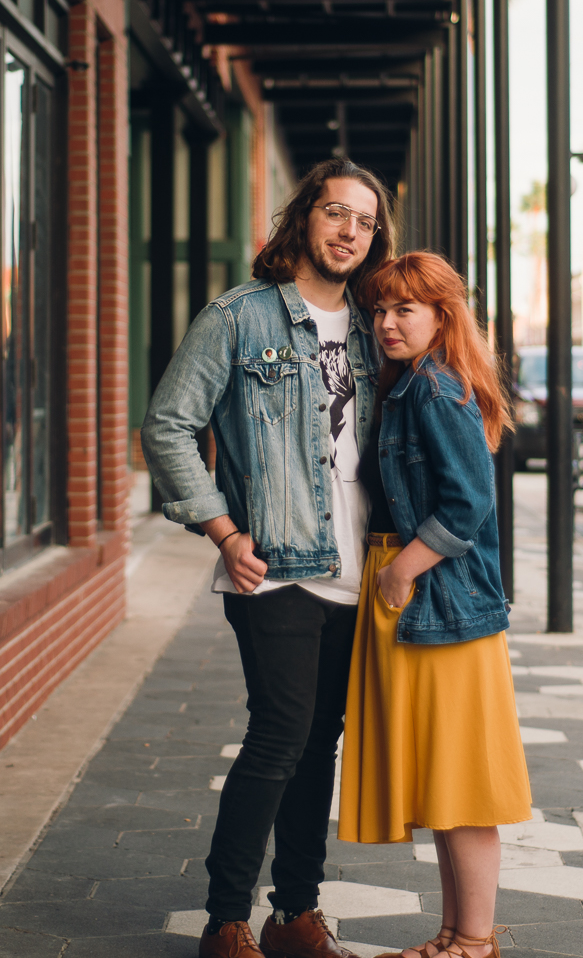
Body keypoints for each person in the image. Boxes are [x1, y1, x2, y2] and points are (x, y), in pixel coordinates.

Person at [142, 160, 397, 958]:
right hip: (275, 564)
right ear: (303, 219)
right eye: (335, 212)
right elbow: (168, 424)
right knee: (281, 733)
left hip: (354, 566)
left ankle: (295, 912)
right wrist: (222, 529)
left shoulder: (368, 324)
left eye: (364, 220)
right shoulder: (239, 318)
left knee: (321, 738)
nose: (350, 230)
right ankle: (225, 919)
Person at [340, 252, 532, 958]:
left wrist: (401, 572)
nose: (386, 323)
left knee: (465, 783)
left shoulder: (434, 388)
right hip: (423, 599)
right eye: (379, 310)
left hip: (440, 602)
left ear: (441, 315)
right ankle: (455, 933)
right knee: (446, 780)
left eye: (404, 310)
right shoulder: (413, 384)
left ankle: (476, 940)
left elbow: (469, 503)